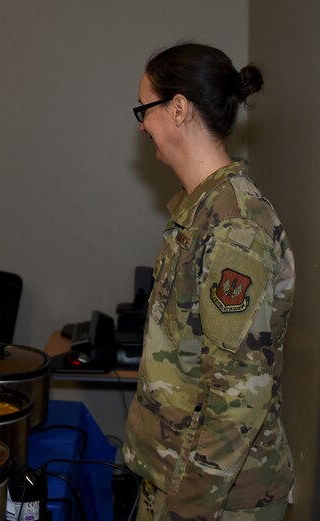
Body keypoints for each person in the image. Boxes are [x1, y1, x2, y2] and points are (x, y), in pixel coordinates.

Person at [123, 43, 294, 520]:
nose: (141, 125)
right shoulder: (200, 213)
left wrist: (186, 511)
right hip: (178, 480)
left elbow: (238, 398)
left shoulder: (234, 227)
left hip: (218, 500)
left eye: (145, 109)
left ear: (178, 108)